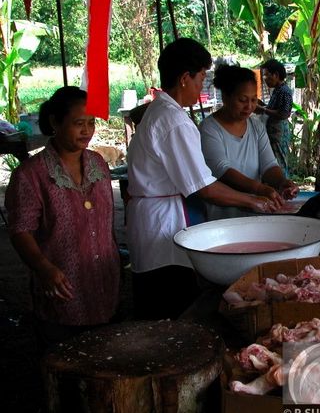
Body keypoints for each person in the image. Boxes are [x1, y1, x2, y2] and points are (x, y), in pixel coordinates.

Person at [126, 38, 277, 320]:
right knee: (169, 306)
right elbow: (204, 186)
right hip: (162, 223)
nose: (202, 85)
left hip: (156, 215)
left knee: (161, 304)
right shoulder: (174, 120)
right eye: (201, 78)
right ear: (185, 78)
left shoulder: (161, 110)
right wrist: (254, 201)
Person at [5, 86, 120, 348]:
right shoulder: (31, 175)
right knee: (67, 364)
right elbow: (20, 230)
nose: (87, 131)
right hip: (63, 289)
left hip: (104, 282)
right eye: (79, 123)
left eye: (91, 123)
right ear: (55, 122)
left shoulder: (98, 164)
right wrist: (44, 268)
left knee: (108, 363)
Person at [199, 64, 299, 220]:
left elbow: (269, 164)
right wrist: (260, 189)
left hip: (256, 214)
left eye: (253, 100)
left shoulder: (256, 126)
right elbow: (223, 170)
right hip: (223, 218)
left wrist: (282, 182)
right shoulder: (209, 129)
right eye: (242, 100)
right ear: (226, 97)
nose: (249, 106)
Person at [254, 59, 294, 174]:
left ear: (276, 75)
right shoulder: (278, 90)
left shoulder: (284, 91)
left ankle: (285, 186)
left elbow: (283, 113)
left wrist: (262, 109)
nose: (265, 78)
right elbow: (275, 109)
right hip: (274, 132)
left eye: (266, 75)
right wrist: (262, 105)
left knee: (279, 162)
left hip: (278, 132)